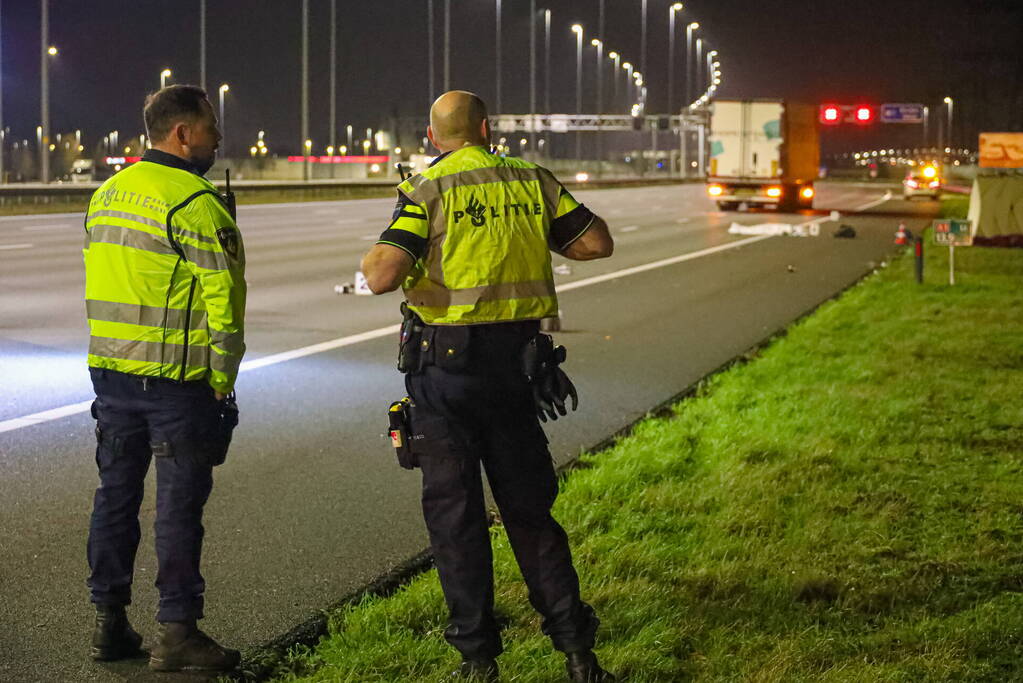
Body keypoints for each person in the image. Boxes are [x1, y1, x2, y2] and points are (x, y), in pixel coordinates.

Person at [361, 90, 616, 682]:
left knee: (456, 521)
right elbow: (595, 243)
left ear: (433, 137)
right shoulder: (533, 180)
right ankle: (578, 655)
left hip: (446, 379)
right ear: (486, 129)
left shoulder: (429, 187)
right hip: (517, 375)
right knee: (531, 513)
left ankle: (478, 662)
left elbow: (379, 275)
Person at [83, 84, 246, 673]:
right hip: (176, 383)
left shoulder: (106, 195)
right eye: (211, 127)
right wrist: (223, 377)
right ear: (182, 133)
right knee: (178, 506)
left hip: (110, 376)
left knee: (116, 498)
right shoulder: (194, 202)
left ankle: (109, 624)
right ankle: (177, 631)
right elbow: (224, 301)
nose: (218, 137)